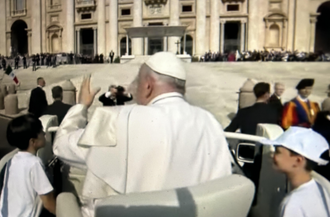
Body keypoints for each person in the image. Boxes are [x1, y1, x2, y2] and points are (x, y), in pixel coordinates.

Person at [53, 52, 232, 216]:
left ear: (147, 85)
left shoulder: (117, 118)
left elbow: (61, 146)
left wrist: (81, 106)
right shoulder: (210, 122)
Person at [262, 127, 330, 217]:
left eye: (278, 152)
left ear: (298, 161)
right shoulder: (321, 188)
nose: (272, 155)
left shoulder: (292, 204)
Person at [0, 114, 56, 216]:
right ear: (33, 141)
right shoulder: (34, 163)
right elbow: (48, 201)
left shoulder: (11, 161)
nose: (44, 133)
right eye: (41, 131)